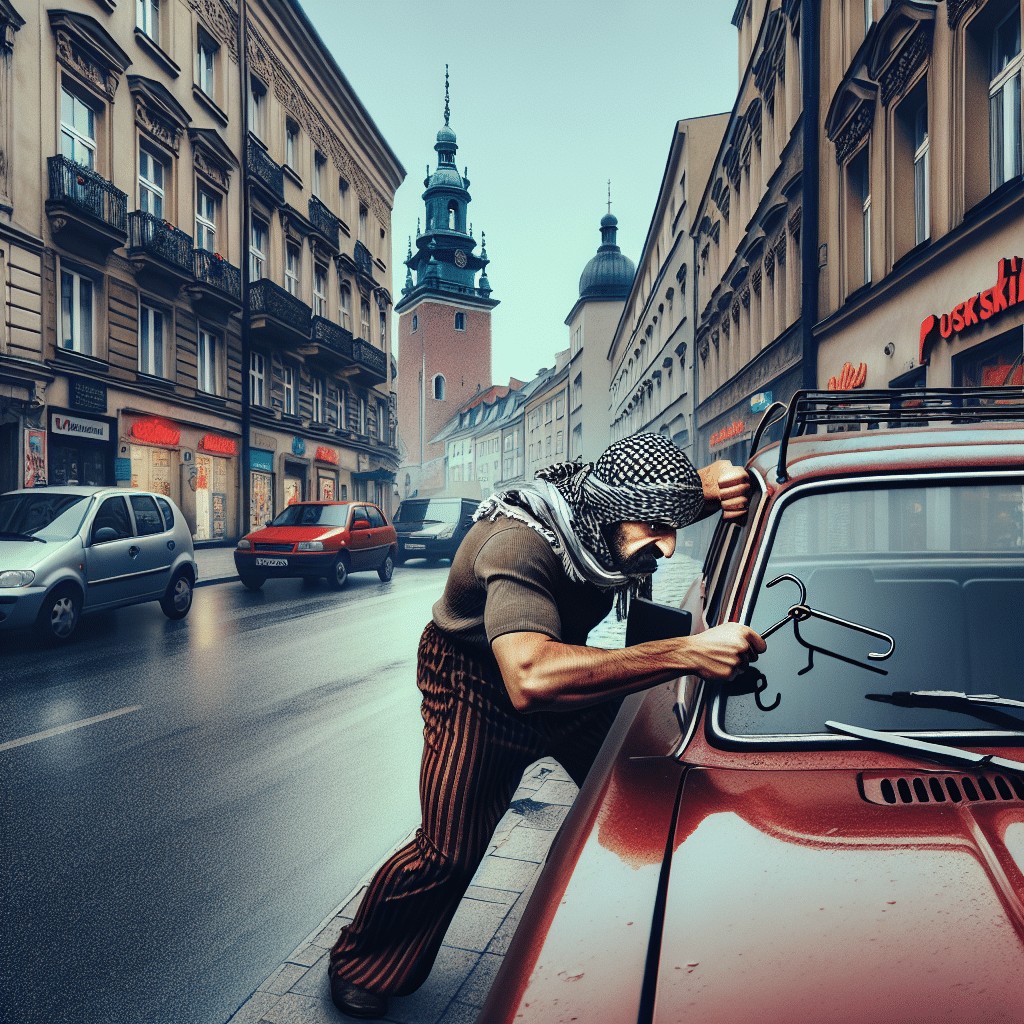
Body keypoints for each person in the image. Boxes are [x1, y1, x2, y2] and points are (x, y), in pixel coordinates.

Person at [328, 432, 766, 1019]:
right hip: (477, 682)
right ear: (611, 515)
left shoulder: (608, 511)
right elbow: (529, 679)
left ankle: (657, 930)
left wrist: (709, 486)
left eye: (674, 526)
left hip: (560, 662)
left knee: (648, 784)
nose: (666, 546)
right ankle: (360, 961)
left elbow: (658, 499)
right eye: (654, 529)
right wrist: (686, 651)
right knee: (449, 852)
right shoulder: (516, 545)